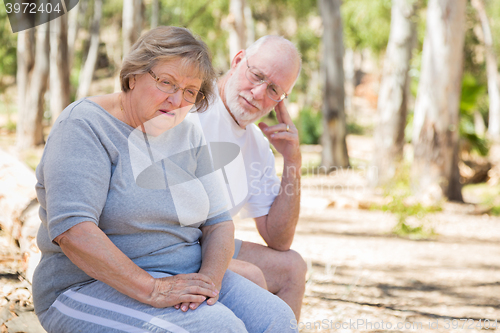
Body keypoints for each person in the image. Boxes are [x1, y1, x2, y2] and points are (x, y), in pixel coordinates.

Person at [32, 26, 297, 333]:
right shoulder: (84, 125)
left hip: (184, 273)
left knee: (277, 319)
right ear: (134, 75)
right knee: (219, 329)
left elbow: (219, 222)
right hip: (83, 286)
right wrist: (153, 289)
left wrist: (209, 282)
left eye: (189, 92)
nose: (176, 100)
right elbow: (74, 232)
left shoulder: (188, 132)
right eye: (166, 83)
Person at [196, 36, 307, 320]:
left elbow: (278, 239)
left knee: (293, 267)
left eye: (273, 90)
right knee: (251, 276)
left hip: (213, 244)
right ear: (237, 61)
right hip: (170, 243)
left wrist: (293, 161)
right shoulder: (193, 102)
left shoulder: (258, 145)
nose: (258, 93)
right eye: (256, 75)